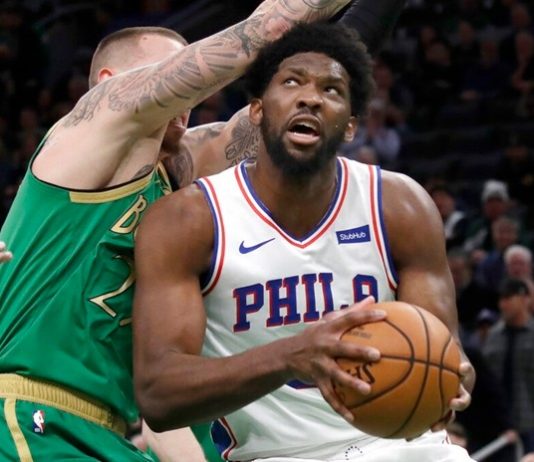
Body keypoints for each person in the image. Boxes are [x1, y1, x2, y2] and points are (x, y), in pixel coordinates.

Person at [0, 1, 355, 460]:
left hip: (109, 431)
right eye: (170, 70)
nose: (188, 95)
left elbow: (298, 109)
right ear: (110, 82)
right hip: (33, 416)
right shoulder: (85, 134)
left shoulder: (178, 171)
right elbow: (267, 28)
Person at [133, 22, 475, 461]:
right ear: (257, 110)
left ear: (350, 126)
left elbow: (447, 352)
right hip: (279, 455)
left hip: (405, 449)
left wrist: (450, 379)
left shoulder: (399, 205)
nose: (311, 97)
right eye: (292, 81)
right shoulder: (190, 219)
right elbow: (158, 395)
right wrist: (292, 355)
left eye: (332, 89)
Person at [482, 278, 534, 455]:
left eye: (509, 298)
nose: (503, 304)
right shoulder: (494, 336)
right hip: (498, 424)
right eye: (501, 299)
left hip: (529, 420)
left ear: (525, 299)